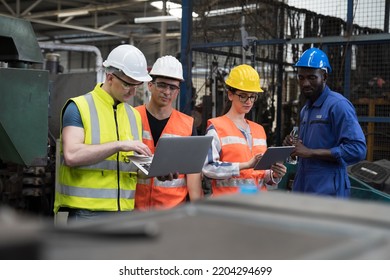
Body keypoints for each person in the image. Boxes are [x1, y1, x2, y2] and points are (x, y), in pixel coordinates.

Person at [53, 44, 154, 222]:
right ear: (109, 77)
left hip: (124, 212)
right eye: (127, 84)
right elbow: (71, 155)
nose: (133, 91)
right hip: (85, 212)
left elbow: (131, 167)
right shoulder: (78, 107)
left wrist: (156, 170)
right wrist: (119, 145)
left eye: (137, 85)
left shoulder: (133, 115)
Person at [283, 47, 367, 197]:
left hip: (328, 193)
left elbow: (357, 149)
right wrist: (293, 147)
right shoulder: (306, 110)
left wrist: (311, 152)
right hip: (303, 188)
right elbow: (304, 149)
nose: (305, 83)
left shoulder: (338, 105)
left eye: (312, 77)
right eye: (301, 78)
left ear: (325, 76)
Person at [202, 64, 287, 196]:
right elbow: (208, 168)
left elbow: (261, 175)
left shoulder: (259, 130)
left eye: (252, 96)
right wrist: (245, 165)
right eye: (243, 95)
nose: (248, 101)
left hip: (257, 206)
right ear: (230, 95)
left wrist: (275, 175)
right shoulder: (217, 127)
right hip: (229, 206)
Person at [134, 55, 203, 210]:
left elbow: (193, 172)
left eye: (173, 87)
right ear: (150, 85)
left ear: (178, 91)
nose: (167, 92)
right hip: (134, 209)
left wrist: (197, 209)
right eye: (162, 85)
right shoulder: (132, 117)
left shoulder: (187, 124)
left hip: (172, 211)